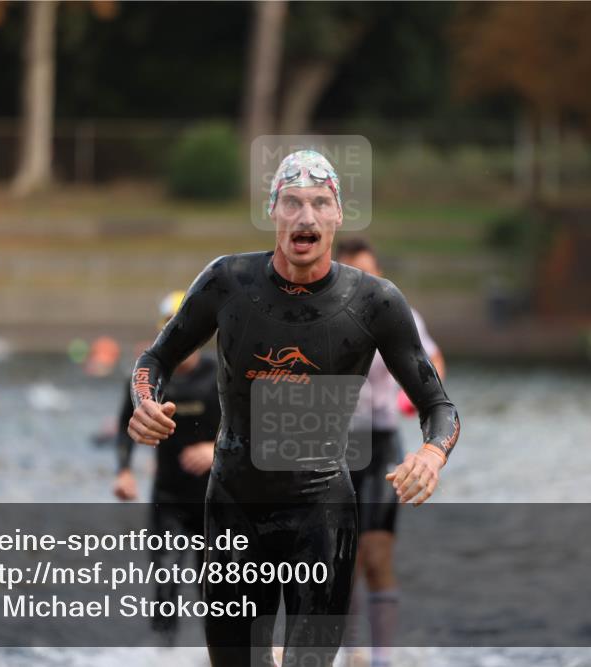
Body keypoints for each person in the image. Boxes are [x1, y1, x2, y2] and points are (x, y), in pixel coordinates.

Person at [127, 150, 460, 666]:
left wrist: (433, 454)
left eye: (320, 203)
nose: (306, 217)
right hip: (234, 506)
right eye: (293, 203)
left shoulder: (376, 302)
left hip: (321, 510)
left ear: (337, 215)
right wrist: (144, 401)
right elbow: (156, 358)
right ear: (273, 213)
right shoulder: (227, 282)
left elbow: (437, 404)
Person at [335, 238, 445, 667]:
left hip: (381, 443)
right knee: (342, 564)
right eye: (351, 274)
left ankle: (381, 659)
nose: (360, 283)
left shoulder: (397, 311)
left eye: (367, 273)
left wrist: (415, 396)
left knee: (376, 557)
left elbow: (434, 360)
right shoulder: (322, 315)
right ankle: (348, 654)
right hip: (334, 448)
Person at [112, 291, 220, 644]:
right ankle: (163, 656)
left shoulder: (220, 374)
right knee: (166, 579)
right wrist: (124, 471)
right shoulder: (150, 378)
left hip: (213, 501)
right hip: (169, 498)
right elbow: (125, 425)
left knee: (214, 590)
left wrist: (215, 448)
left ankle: (216, 657)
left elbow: (255, 426)